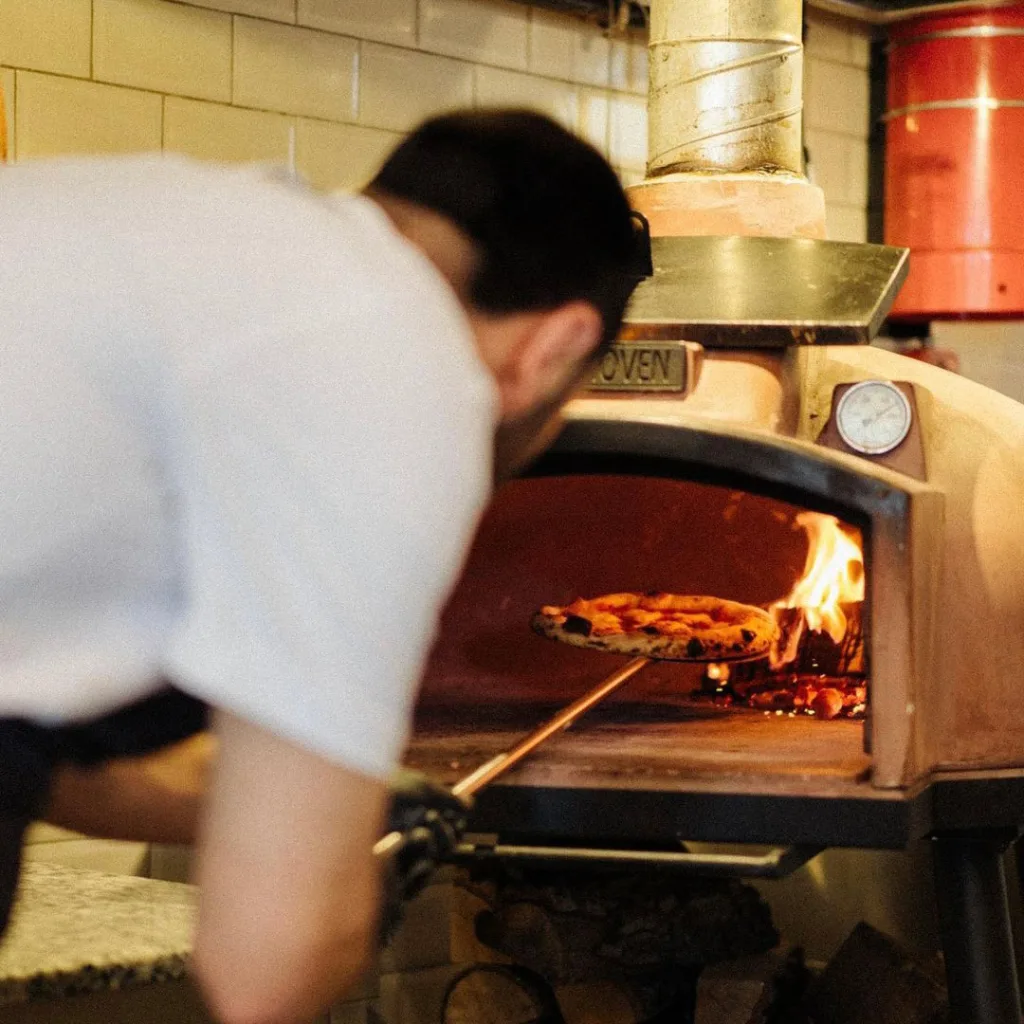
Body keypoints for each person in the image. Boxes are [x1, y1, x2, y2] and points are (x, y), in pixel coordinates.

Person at [0, 110, 642, 1023]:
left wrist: (358, 807)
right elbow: (268, 964)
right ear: (557, 346)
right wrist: (333, 892)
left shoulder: (208, 247)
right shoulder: (400, 359)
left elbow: (34, 751)